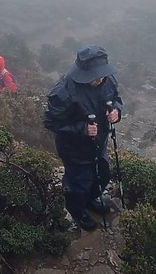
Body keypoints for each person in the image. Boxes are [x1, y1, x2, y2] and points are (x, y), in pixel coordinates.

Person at [43, 46, 123, 231]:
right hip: (75, 149)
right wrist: (82, 129)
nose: (100, 78)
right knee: (79, 183)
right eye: (95, 76)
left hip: (99, 142)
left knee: (102, 175)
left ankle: (90, 200)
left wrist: (116, 111)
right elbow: (50, 121)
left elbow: (116, 98)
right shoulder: (64, 90)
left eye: (102, 74)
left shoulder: (107, 80)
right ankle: (77, 210)